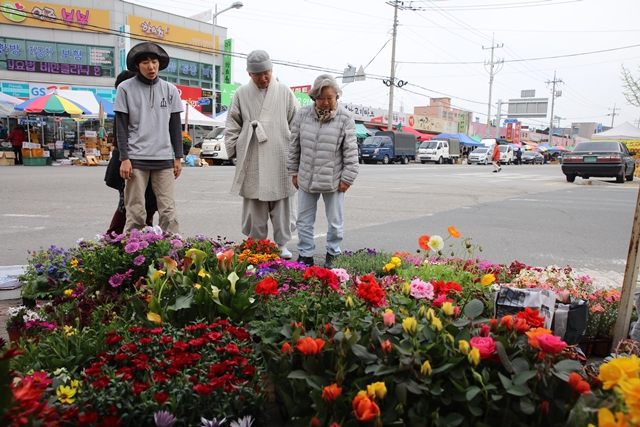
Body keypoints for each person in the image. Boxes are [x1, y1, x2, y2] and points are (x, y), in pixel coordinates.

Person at [224, 50, 299, 259]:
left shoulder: (284, 91)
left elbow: (296, 123)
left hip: (280, 154)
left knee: (283, 201)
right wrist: (235, 152)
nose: (263, 78)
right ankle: (257, 243)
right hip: (252, 154)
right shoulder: (240, 94)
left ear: (272, 70)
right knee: (254, 204)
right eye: (258, 74)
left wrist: (297, 154)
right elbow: (232, 125)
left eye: (266, 73)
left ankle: (282, 243)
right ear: (249, 74)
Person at [288, 74, 359, 268]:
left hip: (334, 180)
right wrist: (294, 172)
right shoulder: (302, 115)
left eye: (330, 97)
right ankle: (305, 254)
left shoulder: (345, 118)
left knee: (335, 221)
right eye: (321, 98)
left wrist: (348, 178)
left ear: (337, 96)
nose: (326, 102)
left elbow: (351, 152)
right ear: (314, 97)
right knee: (303, 220)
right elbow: (294, 146)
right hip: (306, 178)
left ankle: (333, 253)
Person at [114, 42, 183, 234]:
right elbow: (121, 126)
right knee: (135, 210)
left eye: (154, 62)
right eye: (145, 62)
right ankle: (133, 251)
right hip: (136, 158)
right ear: (137, 65)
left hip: (164, 159)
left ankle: (173, 252)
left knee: (168, 210)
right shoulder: (125, 89)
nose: (151, 66)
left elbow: (175, 126)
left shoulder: (170, 90)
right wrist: (124, 158)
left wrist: (178, 157)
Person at [105, 70, 157, 235]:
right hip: (129, 166)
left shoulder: (145, 106)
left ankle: (144, 241)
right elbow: (121, 141)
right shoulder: (124, 110)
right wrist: (126, 161)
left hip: (149, 164)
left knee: (147, 206)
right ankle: (113, 241)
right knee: (128, 207)